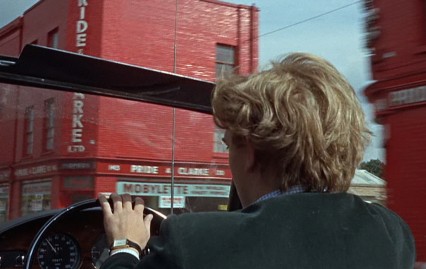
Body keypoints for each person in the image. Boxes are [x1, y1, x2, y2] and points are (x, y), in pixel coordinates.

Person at [99, 53, 415, 269]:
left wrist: (125, 246)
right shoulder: (391, 233)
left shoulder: (193, 243)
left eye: (229, 147)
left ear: (249, 151)